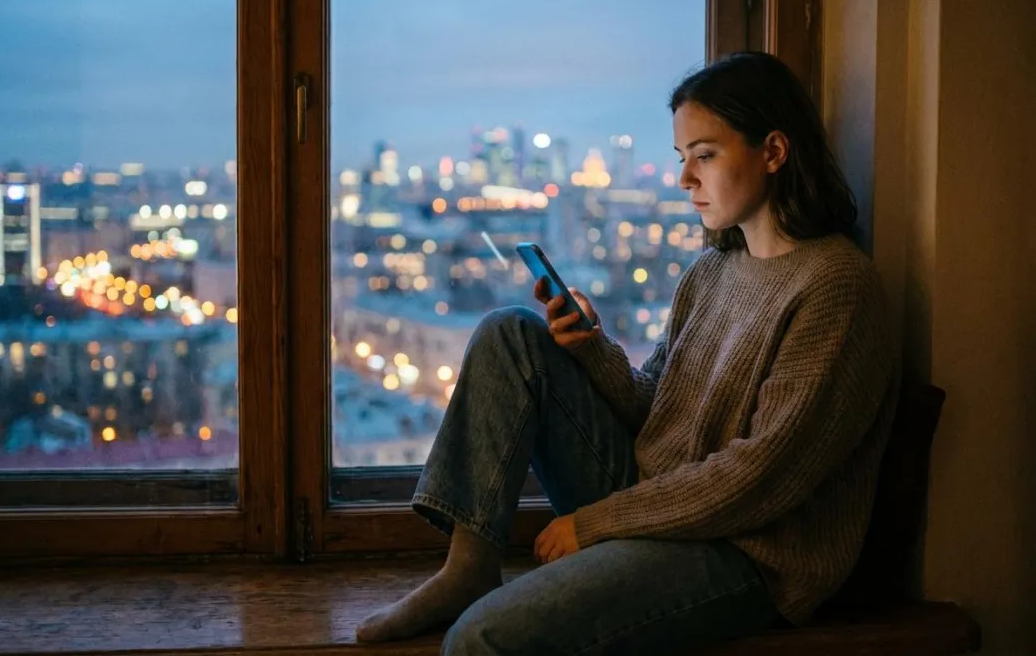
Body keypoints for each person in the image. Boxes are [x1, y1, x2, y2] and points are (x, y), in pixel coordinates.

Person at [355, 51, 900, 656]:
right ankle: (468, 567)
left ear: (773, 151)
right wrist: (590, 349)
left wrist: (595, 524)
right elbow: (656, 406)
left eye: (705, 154)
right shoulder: (713, 271)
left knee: (483, 641)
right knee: (510, 332)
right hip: (658, 498)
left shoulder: (837, 288)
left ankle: (480, 600)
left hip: (746, 555)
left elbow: (758, 480)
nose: (685, 178)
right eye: (681, 158)